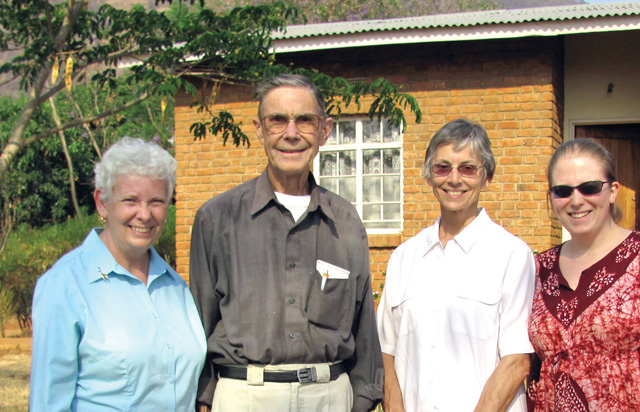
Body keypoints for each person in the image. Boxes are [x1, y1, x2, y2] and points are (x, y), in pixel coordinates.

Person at [189, 74, 384, 412]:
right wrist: (204, 400)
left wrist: (364, 398)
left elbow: (363, 327)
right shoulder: (217, 219)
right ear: (259, 129)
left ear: (324, 130)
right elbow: (197, 325)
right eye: (277, 120)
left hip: (329, 398)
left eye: (305, 120)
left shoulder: (346, 221)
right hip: (245, 397)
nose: (291, 134)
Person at [30, 137, 207, 411]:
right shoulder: (64, 286)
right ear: (102, 203)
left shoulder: (176, 287)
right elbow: (48, 403)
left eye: (156, 201)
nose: (145, 214)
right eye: (130, 200)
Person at [377, 118, 536, 412]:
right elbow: (387, 355)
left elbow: (516, 362)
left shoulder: (512, 255)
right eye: (442, 167)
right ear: (428, 175)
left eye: (467, 168)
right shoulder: (403, 258)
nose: (454, 179)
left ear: (486, 177)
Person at [527, 138, 640, 410]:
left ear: (612, 191)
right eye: (563, 191)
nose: (576, 201)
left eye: (589, 188)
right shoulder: (537, 269)